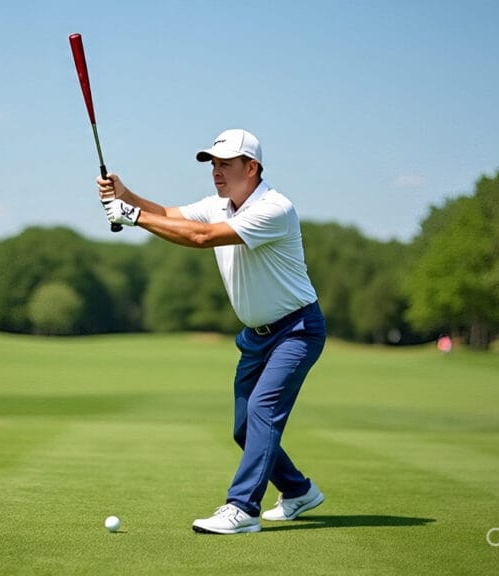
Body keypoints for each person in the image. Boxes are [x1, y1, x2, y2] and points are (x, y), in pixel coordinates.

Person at [98, 129, 328, 535]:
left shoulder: (274, 209)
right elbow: (171, 215)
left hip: (296, 329)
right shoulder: (219, 205)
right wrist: (127, 194)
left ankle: (242, 509)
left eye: (225, 164)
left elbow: (202, 237)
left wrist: (131, 216)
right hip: (256, 336)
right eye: (213, 165)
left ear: (251, 167)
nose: (216, 173)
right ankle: (298, 491)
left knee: (262, 412)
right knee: (244, 427)